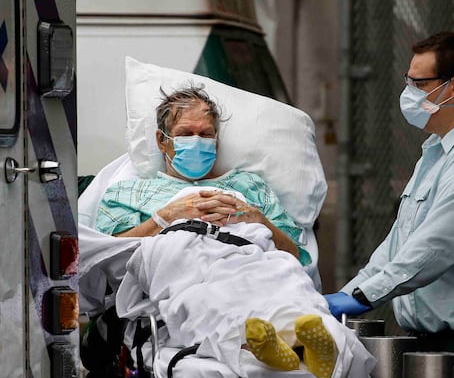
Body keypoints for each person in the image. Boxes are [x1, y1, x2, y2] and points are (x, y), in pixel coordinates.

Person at [325, 31, 454, 378]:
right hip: (443, 345)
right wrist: (349, 292)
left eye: (418, 83)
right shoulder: (436, 153)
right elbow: (399, 245)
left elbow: (438, 245)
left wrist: (364, 297)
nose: (409, 93)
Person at [95, 85, 310, 267]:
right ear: (162, 141)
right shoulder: (128, 193)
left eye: (205, 134)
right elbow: (106, 258)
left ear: (215, 141)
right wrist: (167, 216)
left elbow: (296, 258)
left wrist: (258, 219)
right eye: (185, 134)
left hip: (254, 271)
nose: (197, 141)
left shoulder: (251, 187)